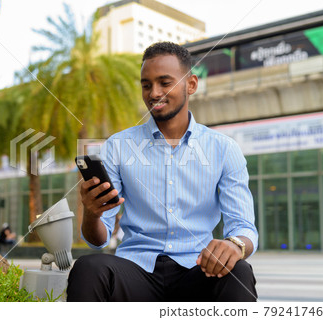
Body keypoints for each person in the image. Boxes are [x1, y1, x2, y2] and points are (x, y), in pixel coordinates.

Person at [67, 42, 258, 302]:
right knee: (89, 268)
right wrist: (91, 214)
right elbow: (97, 240)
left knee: (239, 271)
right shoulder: (118, 146)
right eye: (146, 85)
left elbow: (244, 226)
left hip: (198, 268)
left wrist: (234, 245)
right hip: (136, 270)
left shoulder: (224, 149)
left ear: (191, 84)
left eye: (164, 83)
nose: (154, 93)